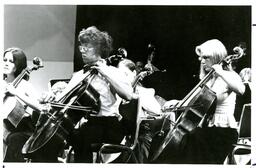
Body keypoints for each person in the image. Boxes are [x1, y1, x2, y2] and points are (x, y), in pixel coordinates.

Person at [162, 39, 245, 164]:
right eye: (200, 57)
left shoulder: (229, 76)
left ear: (216, 57)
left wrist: (221, 72)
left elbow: (241, 89)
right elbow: (193, 101)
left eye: (205, 57)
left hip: (222, 131)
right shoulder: (208, 79)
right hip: (206, 130)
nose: (201, 61)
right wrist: (176, 102)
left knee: (191, 143)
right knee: (184, 143)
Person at [60, 26, 133, 163]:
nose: (83, 51)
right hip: (90, 123)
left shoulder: (114, 72)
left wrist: (104, 72)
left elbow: (128, 95)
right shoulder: (80, 75)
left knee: (82, 136)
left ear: (99, 49)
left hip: (111, 125)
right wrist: (49, 98)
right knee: (67, 133)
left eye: (87, 47)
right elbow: (63, 97)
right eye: (81, 47)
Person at [3, 47, 44, 162]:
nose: (6, 64)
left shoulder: (25, 85)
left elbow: (40, 108)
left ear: (18, 66)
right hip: (4, 128)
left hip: (21, 130)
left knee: (14, 139)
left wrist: (16, 93)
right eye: (4, 60)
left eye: (11, 61)